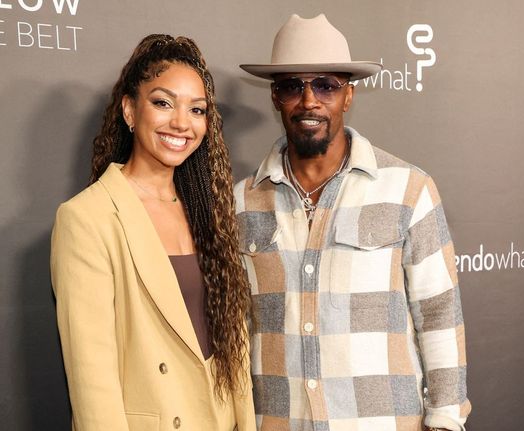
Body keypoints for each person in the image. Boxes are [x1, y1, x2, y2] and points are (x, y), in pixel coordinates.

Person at [236, 14, 471, 431]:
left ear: (348, 96)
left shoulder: (408, 189)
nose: (309, 100)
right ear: (275, 97)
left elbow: (439, 314)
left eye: (326, 85)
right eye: (293, 85)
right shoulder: (240, 201)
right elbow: (235, 329)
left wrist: (445, 420)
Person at [51, 34, 255, 431]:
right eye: (163, 102)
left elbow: (233, 349)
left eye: (197, 110)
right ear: (129, 109)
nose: (182, 122)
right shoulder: (87, 218)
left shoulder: (208, 212)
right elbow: (92, 380)